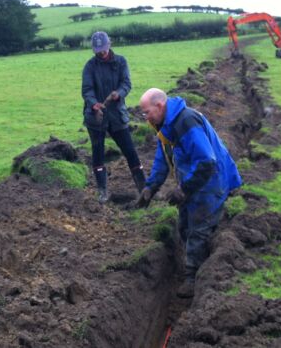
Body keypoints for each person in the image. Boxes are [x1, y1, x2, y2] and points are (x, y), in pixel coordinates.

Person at [136, 88, 242, 298]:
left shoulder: (186, 122)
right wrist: (150, 188)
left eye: (146, 112)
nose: (145, 117)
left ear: (159, 106)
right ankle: (187, 265)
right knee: (184, 227)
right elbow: (162, 159)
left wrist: (183, 189)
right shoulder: (165, 125)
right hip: (193, 182)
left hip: (210, 183)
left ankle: (193, 279)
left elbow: (206, 162)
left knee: (198, 231)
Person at [82, 31, 146, 203]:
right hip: (96, 117)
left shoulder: (121, 62)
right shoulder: (90, 66)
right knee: (98, 153)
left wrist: (119, 93)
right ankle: (102, 192)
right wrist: (93, 103)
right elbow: (87, 90)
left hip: (117, 114)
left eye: (103, 49)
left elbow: (126, 83)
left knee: (130, 151)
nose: (100, 52)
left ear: (109, 45)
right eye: (97, 50)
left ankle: (144, 188)